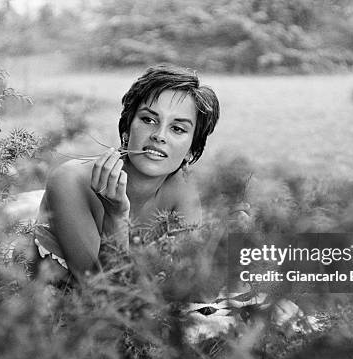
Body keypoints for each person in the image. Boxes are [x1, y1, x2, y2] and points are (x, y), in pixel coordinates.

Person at [25, 64, 221, 286]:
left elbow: (188, 283)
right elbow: (108, 296)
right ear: (127, 128)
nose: (159, 136)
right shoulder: (69, 181)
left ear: (192, 150)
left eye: (177, 129)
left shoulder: (183, 188)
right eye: (148, 119)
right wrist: (116, 216)